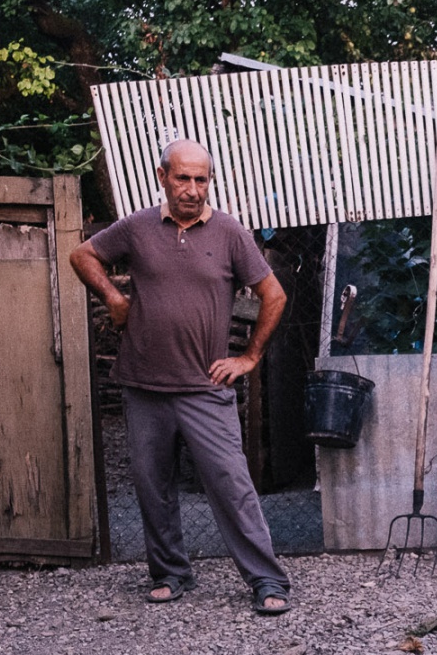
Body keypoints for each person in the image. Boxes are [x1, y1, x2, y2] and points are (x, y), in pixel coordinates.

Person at [69, 139, 293, 613]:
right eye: (183, 178)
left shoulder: (230, 232)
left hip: (206, 388)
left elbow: (273, 295)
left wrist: (249, 357)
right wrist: (113, 298)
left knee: (232, 486)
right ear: (162, 175)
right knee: (154, 486)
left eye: (201, 179)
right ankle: (170, 573)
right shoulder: (137, 228)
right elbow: (82, 256)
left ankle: (267, 581)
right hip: (144, 384)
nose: (192, 189)